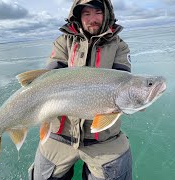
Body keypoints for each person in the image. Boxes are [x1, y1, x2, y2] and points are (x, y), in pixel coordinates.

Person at [29, 0, 132, 179]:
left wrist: (137, 100)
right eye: (86, 14)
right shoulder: (63, 42)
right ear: (78, 17)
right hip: (60, 133)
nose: (93, 19)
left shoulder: (120, 46)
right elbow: (49, 78)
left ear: (106, 13)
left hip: (104, 139)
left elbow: (122, 85)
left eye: (98, 12)